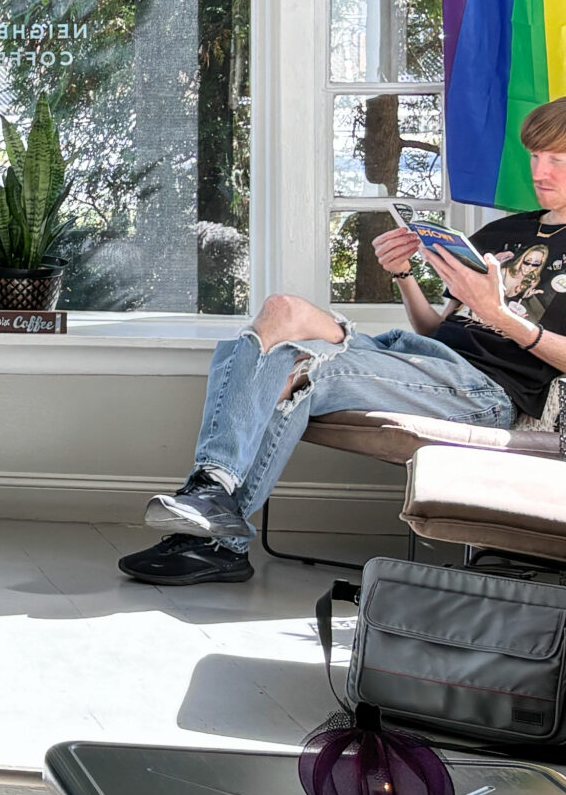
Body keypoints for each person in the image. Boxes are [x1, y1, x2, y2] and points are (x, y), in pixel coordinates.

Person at [121, 98, 566, 585]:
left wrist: (498, 313)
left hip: (482, 392)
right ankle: (213, 497)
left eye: (556, 161)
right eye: (534, 157)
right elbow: (436, 331)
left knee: (301, 372)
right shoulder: (504, 229)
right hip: (416, 357)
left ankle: (214, 533)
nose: (539, 172)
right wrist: (403, 274)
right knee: (281, 313)